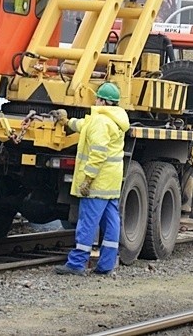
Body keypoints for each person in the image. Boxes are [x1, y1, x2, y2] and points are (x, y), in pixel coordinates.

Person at [53, 82, 130, 276]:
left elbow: (97, 153)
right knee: (111, 223)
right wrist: (67, 121)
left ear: (103, 101)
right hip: (111, 182)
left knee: (87, 222)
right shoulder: (114, 119)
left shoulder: (101, 121)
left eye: (97, 97)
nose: (95, 100)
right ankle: (106, 265)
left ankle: (77, 264)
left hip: (97, 182)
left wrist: (87, 179)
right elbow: (84, 125)